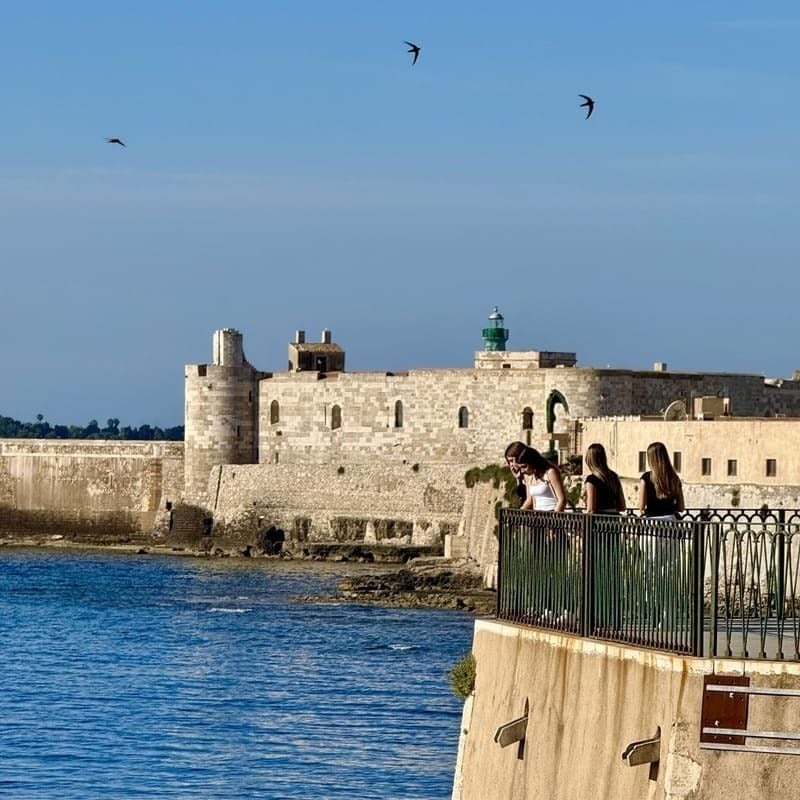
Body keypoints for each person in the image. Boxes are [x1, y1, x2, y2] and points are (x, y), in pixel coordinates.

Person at [638, 442, 684, 519]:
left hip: (653, 522)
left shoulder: (646, 478)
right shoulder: (675, 479)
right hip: (671, 521)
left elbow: (641, 506)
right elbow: (681, 508)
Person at [517, 447, 567, 513]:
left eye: (524, 467)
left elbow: (562, 499)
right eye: (520, 468)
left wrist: (554, 517)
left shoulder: (550, 473)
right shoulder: (529, 477)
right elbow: (529, 500)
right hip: (538, 515)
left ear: (532, 463)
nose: (522, 471)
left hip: (552, 512)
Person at [584, 443, 626, 514]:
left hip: (599, 521)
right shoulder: (614, 476)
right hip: (614, 519)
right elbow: (622, 506)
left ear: (590, 460)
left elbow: (591, 509)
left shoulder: (591, 480)